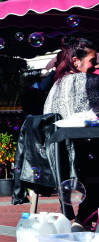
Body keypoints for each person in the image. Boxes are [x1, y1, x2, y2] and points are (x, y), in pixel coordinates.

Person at [43, 37, 99, 231]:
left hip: (54, 161)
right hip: (81, 160)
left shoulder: (56, 86)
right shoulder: (89, 81)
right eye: (92, 60)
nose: (96, 65)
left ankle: (83, 219)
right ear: (76, 61)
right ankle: (83, 219)